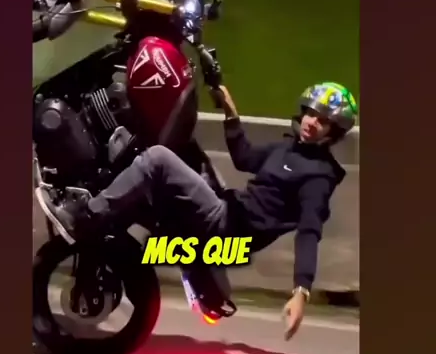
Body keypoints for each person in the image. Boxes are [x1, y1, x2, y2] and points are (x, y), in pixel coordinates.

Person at [41, 80, 357, 340]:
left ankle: (88, 215)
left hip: (227, 224)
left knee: (158, 159)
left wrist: (301, 291)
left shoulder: (318, 177)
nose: (311, 122)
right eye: (310, 113)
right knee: (184, 150)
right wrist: (229, 110)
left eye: (322, 120)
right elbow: (244, 159)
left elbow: (309, 232)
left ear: (334, 131)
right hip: (227, 205)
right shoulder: (290, 147)